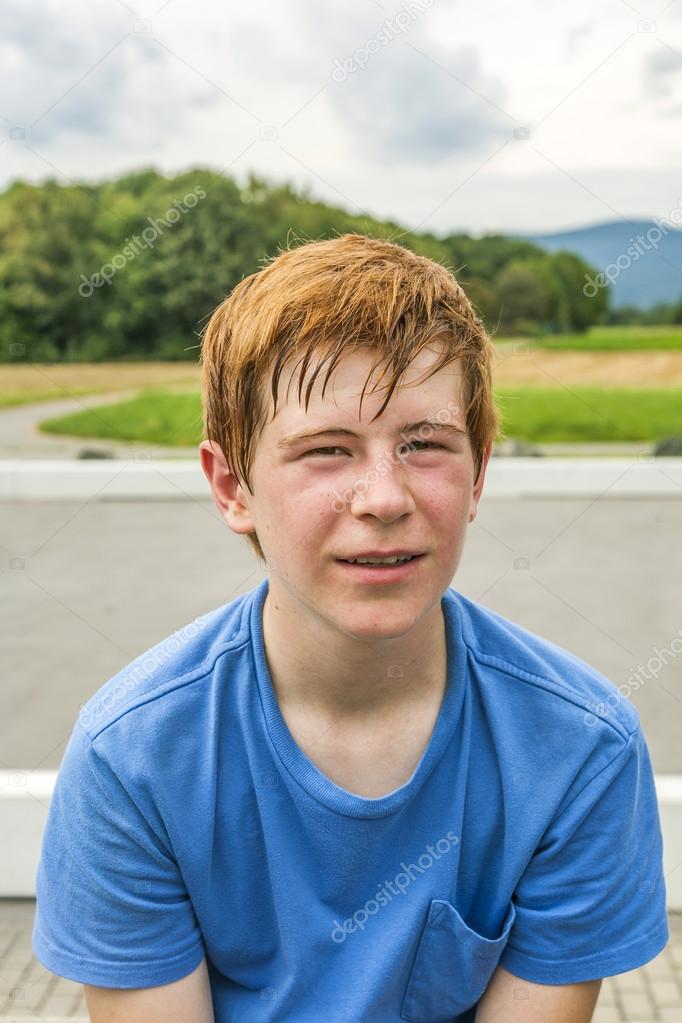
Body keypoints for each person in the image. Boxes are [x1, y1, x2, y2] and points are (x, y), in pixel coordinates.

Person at [32, 233, 668, 1023]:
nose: (383, 497)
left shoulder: (581, 749)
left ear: (480, 472)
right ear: (233, 487)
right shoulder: (132, 761)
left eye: (424, 444)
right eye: (327, 450)